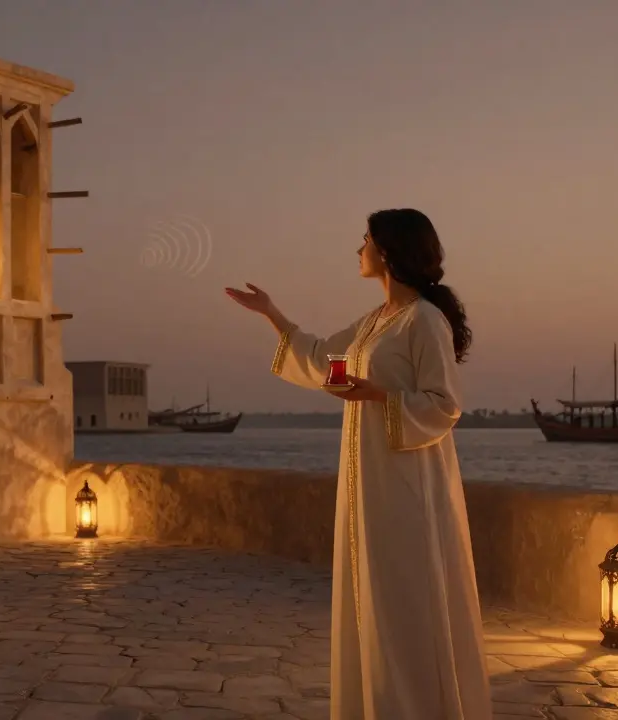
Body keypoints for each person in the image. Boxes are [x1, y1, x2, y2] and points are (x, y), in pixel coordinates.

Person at [225, 209, 492, 720]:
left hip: (408, 485)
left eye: (365, 240)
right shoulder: (375, 322)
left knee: (404, 600)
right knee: (371, 599)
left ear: (388, 251)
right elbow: (325, 358)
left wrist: (377, 394)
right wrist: (271, 313)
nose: (358, 249)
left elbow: (443, 405)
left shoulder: (424, 320)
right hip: (367, 480)